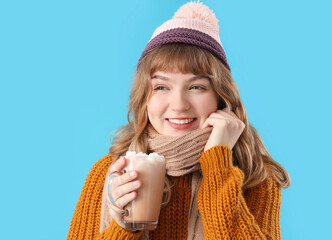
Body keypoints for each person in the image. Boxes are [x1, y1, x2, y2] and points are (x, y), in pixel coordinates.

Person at [67, 1, 290, 239]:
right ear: (145, 98)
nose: (179, 104)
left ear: (221, 97)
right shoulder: (110, 175)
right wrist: (124, 227)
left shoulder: (255, 176)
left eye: (196, 86)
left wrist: (217, 164)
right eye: (161, 87)